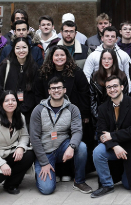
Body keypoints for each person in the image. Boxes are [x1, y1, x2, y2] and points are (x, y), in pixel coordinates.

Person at [34, 45, 92, 182]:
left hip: (73, 114)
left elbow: (85, 93)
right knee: (54, 141)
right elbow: (38, 93)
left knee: (72, 141)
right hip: (49, 115)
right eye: (56, 55)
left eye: (62, 55)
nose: (59, 58)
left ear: (67, 57)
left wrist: (84, 114)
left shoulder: (76, 72)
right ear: (51, 58)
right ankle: (56, 172)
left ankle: (70, 172)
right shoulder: (43, 73)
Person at [91, 74, 131, 197]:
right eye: (109, 87)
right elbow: (101, 133)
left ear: (121, 87)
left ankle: (127, 173)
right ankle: (107, 185)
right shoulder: (103, 108)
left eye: (115, 86)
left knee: (128, 185)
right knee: (98, 152)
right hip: (116, 147)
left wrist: (113, 136)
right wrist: (114, 146)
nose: (112, 89)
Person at [30, 76, 92, 194]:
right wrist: (44, 162)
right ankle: (41, 172)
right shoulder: (38, 110)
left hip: (63, 146)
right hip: (45, 151)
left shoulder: (73, 109)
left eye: (59, 88)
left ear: (64, 90)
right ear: (49, 91)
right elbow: (34, 138)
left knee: (82, 147)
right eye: (53, 88)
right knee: (47, 189)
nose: (56, 90)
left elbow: (77, 131)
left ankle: (79, 181)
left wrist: (72, 146)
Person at [0, 38, 39, 123]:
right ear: (13, 49)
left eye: (24, 47)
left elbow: (36, 92)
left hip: (28, 113)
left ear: (28, 49)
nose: (21, 51)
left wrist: (24, 108)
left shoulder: (34, 67)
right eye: (17, 48)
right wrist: (3, 108)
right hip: (7, 111)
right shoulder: (5, 65)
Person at [90, 48, 131, 126]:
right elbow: (92, 100)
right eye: (104, 58)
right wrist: (98, 117)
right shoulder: (95, 76)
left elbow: (125, 98)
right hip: (100, 116)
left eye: (109, 59)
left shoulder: (122, 76)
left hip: (118, 116)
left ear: (114, 60)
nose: (106, 61)